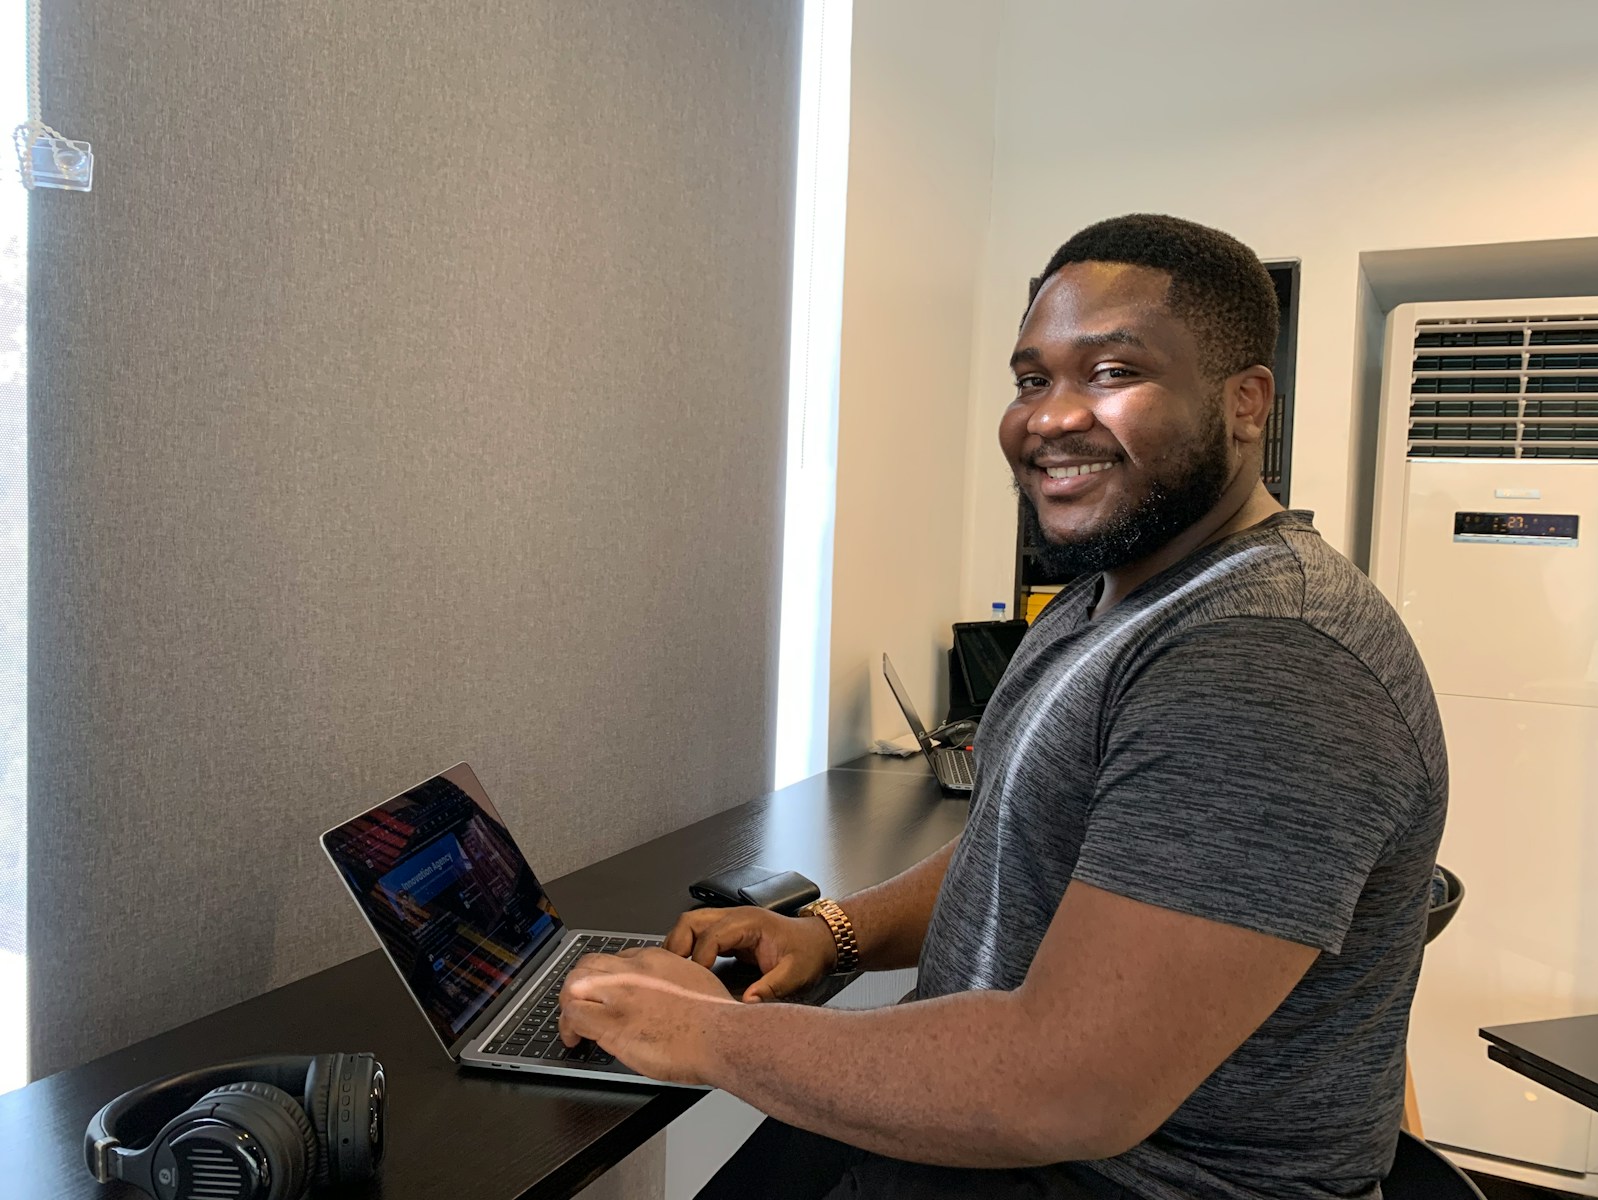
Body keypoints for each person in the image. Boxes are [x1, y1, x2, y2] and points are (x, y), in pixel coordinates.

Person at [557, 214, 1447, 1200]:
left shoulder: (1265, 659)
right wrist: (835, 933)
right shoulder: (1105, 598)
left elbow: (1067, 1089)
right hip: (981, 1135)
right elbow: (1031, 838)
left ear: (1246, 403)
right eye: (1032, 379)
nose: (1050, 417)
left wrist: (708, 1036)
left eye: (1110, 372)